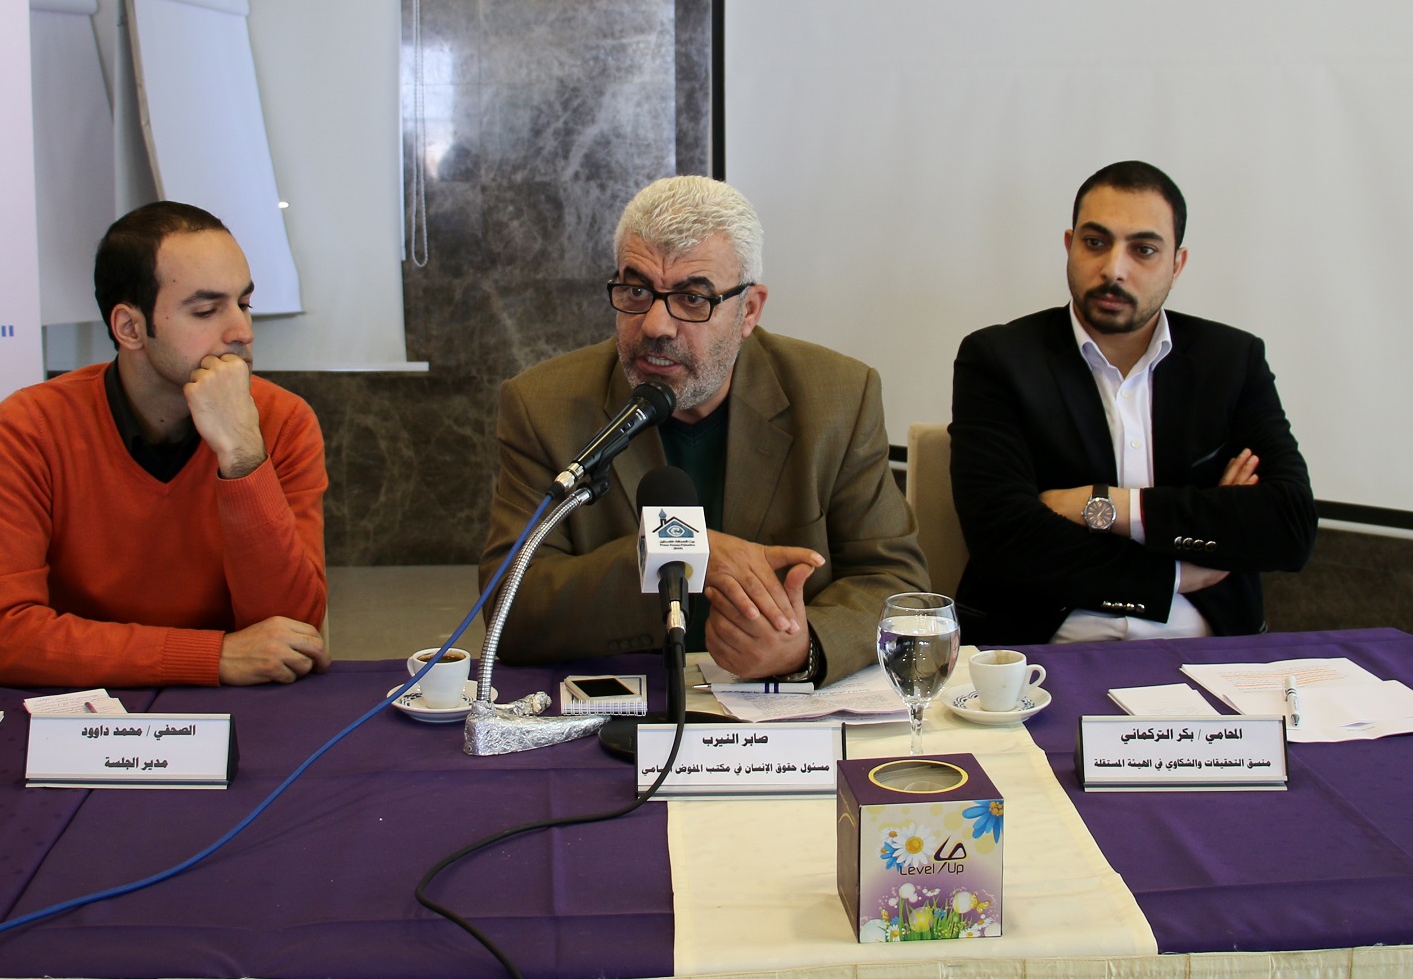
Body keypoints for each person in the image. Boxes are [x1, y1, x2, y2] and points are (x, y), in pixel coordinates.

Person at [480, 176, 928, 684]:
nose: (655, 325)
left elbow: (898, 584)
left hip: (779, 711)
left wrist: (805, 647)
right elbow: (510, 611)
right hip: (630, 699)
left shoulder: (837, 398)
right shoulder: (543, 406)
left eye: (693, 298)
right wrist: (682, 552)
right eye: (636, 290)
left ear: (749, 310)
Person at [0, 202, 330, 687]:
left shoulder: (283, 421)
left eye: (243, 304)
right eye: (206, 311)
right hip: (83, 707)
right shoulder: (32, 426)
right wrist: (212, 656)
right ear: (130, 328)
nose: (242, 332)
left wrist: (243, 456)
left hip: (238, 707)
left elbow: (292, 632)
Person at [950, 161, 1315, 644]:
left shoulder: (1231, 360)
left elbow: (1288, 527)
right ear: (1070, 245)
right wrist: (1176, 573)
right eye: (1095, 242)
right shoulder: (998, 359)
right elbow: (1004, 539)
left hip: (1208, 649)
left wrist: (1101, 505)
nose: (1113, 269)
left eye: (1143, 250)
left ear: (1176, 265)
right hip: (1041, 650)